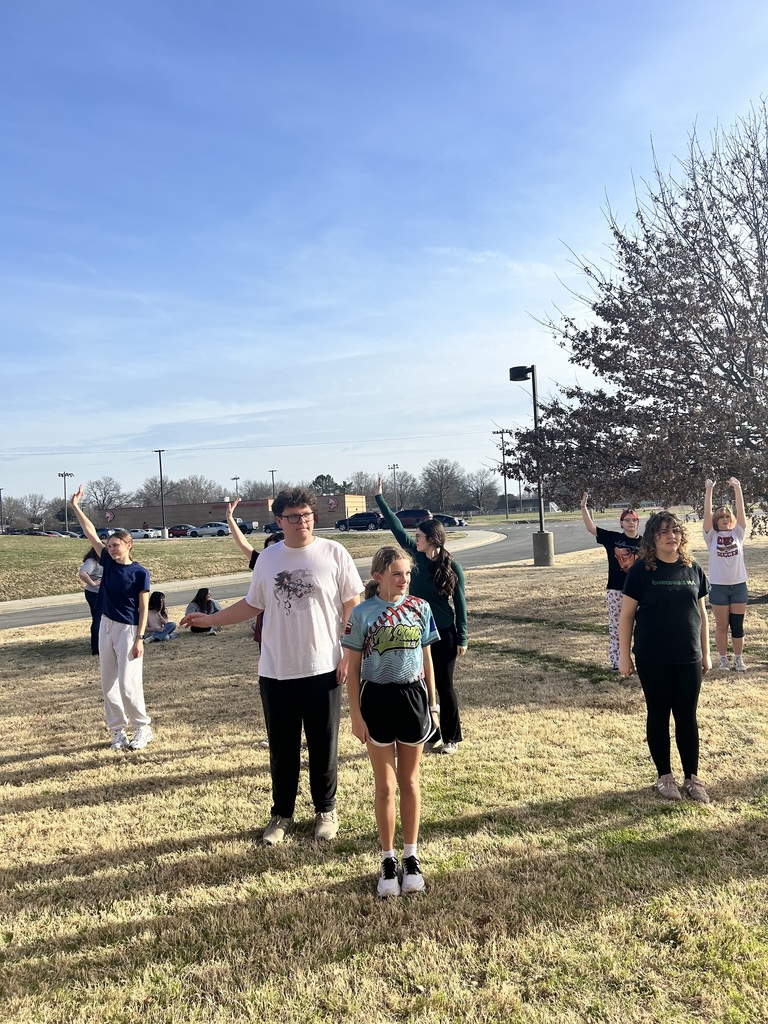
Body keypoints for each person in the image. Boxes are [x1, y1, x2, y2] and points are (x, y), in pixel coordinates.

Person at [181, 487, 363, 845]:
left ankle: (325, 811)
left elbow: (352, 605)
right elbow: (253, 605)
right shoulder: (268, 559)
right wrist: (211, 619)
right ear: (279, 520)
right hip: (276, 669)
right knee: (282, 748)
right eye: (293, 517)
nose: (302, 523)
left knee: (323, 744)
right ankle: (281, 815)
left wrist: (347, 652)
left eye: (307, 515)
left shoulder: (333, 553)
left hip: (322, 667)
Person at [343, 546, 439, 897]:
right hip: (377, 700)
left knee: (410, 783)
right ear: (378, 576)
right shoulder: (363, 614)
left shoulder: (420, 608)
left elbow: (427, 658)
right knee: (385, 787)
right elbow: (353, 670)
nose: (404, 580)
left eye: (407, 574)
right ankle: (387, 860)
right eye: (397, 574)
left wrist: (434, 702)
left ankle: (411, 857)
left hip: (412, 698)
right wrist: (355, 713)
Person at [619, 511, 711, 803]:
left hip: (689, 657)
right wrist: (624, 656)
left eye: (675, 531)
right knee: (659, 714)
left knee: (687, 717)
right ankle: (664, 777)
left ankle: (692, 778)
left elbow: (702, 615)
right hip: (652, 656)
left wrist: (706, 653)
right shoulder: (641, 572)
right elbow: (626, 617)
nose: (671, 537)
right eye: (663, 532)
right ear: (652, 539)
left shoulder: (692, 568)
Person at [375, 477, 467, 755]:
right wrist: (380, 498)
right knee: (422, 685)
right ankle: (431, 735)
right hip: (416, 632)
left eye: (419, 537)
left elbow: (460, 604)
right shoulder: (414, 556)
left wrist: (462, 636)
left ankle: (452, 738)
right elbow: (396, 528)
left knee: (444, 686)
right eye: (415, 537)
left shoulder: (453, 566)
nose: (415, 539)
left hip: (445, 633)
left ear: (432, 539)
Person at [70, 485, 153, 751]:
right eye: (109, 546)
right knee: (109, 685)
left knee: (128, 684)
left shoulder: (140, 573)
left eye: (116, 545)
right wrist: (76, 507)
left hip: (129, 631)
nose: (111, 549)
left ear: (129, 545)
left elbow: (143, 608)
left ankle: (143, 728)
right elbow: (90, 532)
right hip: (106, 625)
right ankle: (118, 731)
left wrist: (140, 638)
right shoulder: (106, 560)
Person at [581, 493, 642, 671]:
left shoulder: (645, 542)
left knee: (641, 628)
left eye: (633, 520)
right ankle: (617, 661)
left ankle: (641, 660)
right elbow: (591, 528)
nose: (631, 523)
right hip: (616, 590)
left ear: (638, 523)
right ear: (621, 523)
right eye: (627, 520)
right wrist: (584, 507)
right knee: (617, 627)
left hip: (639, 593)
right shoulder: (613, 538)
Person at [703, 477, 749, 671]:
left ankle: (738, 659)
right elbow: (706, 514)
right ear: (716, 521)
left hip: (738, 585)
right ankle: (723, 659)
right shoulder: (711, 536)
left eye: (726, 517)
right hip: (719, 587)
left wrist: (738, 489)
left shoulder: (738, 533)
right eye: (720, 517)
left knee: (737, 626)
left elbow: (741, 512)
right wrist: (709, 490)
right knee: (722, 626)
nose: (724, 519)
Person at [78, 546, 103, 655]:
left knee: (103, 619)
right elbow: (82, 573)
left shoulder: (105, 561)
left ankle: (101, 645)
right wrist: (93, 583)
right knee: (98, 618)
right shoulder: (92, 561)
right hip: (95, 593)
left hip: (102, 593)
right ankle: (96, 648)